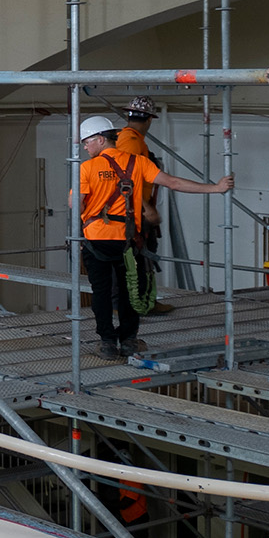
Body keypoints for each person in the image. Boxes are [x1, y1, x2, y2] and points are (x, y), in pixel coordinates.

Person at [69, 115, 232, 359]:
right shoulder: (138, 163)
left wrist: (82, 232)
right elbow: (174, 183)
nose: (85, 147)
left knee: (101, 292)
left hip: (96, 240)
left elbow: (76, 206)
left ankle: (106, 343)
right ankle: (129, 341)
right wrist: (216, 188)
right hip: (128, 240)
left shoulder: (87, 168)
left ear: (100, 140)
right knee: (129, 290)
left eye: (86, 142)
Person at [113, 96, 175, 315]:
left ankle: (137, 303)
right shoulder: (131, 141)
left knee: (138, 257)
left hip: (133, 209)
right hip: (134, 212)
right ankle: (141, 304)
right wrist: (144, 208)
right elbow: (124, 179)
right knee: (140, 257)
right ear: (149, 119)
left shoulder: (129, 138)